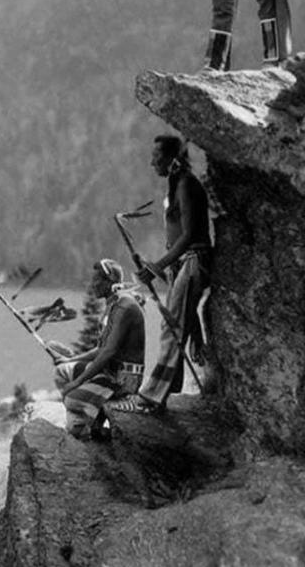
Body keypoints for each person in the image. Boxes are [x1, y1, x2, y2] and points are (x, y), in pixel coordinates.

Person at [112, 135, 212, 415]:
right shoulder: (178, 186)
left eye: (157, 156)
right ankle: (168, 389)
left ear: (172, 159)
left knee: (170, 325)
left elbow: (190, 234)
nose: (152, 161)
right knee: (176, 318)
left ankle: (153, 395)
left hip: (194, 260)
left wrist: (156, 267)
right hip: (184, 263)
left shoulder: (186, 185)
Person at [43, 259, 146, 440]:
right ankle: (89, 424)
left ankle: (84, 431)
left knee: (71, 398)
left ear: (110, 282)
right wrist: (69, 361)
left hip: (123, 379)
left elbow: (108, 352)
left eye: (97, 280)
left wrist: (78, 382)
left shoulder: (124, 306)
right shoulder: (114, 304)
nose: (92, 285)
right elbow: (101, 348)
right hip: (111, 372)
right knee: (62, 372)